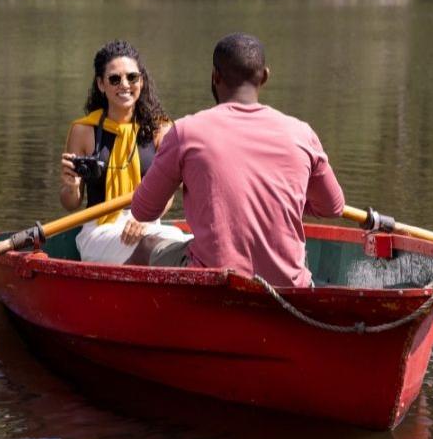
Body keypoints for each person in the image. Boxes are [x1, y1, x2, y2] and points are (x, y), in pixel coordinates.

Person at [129, 32, 345, 287]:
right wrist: (291, 199)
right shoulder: (302, 133)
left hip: (215, 281)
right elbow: (333, 208)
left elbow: (142, 211)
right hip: (289, 287)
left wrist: (183, 181)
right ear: (264, 76)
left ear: (215, 76)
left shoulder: (186, 132)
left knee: (146, 246)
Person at [60, 40, 190, 263]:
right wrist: (72, 187)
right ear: (101, 84)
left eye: (132, 77)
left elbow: (169, 190)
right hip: (100, 230)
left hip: (148, 225)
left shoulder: (162, 129)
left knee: (186, 240)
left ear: (141, 80)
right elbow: (71, 203)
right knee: (160, 245)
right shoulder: (84, 130)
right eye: (114, 79)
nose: (125, 85)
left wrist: (146, 218)